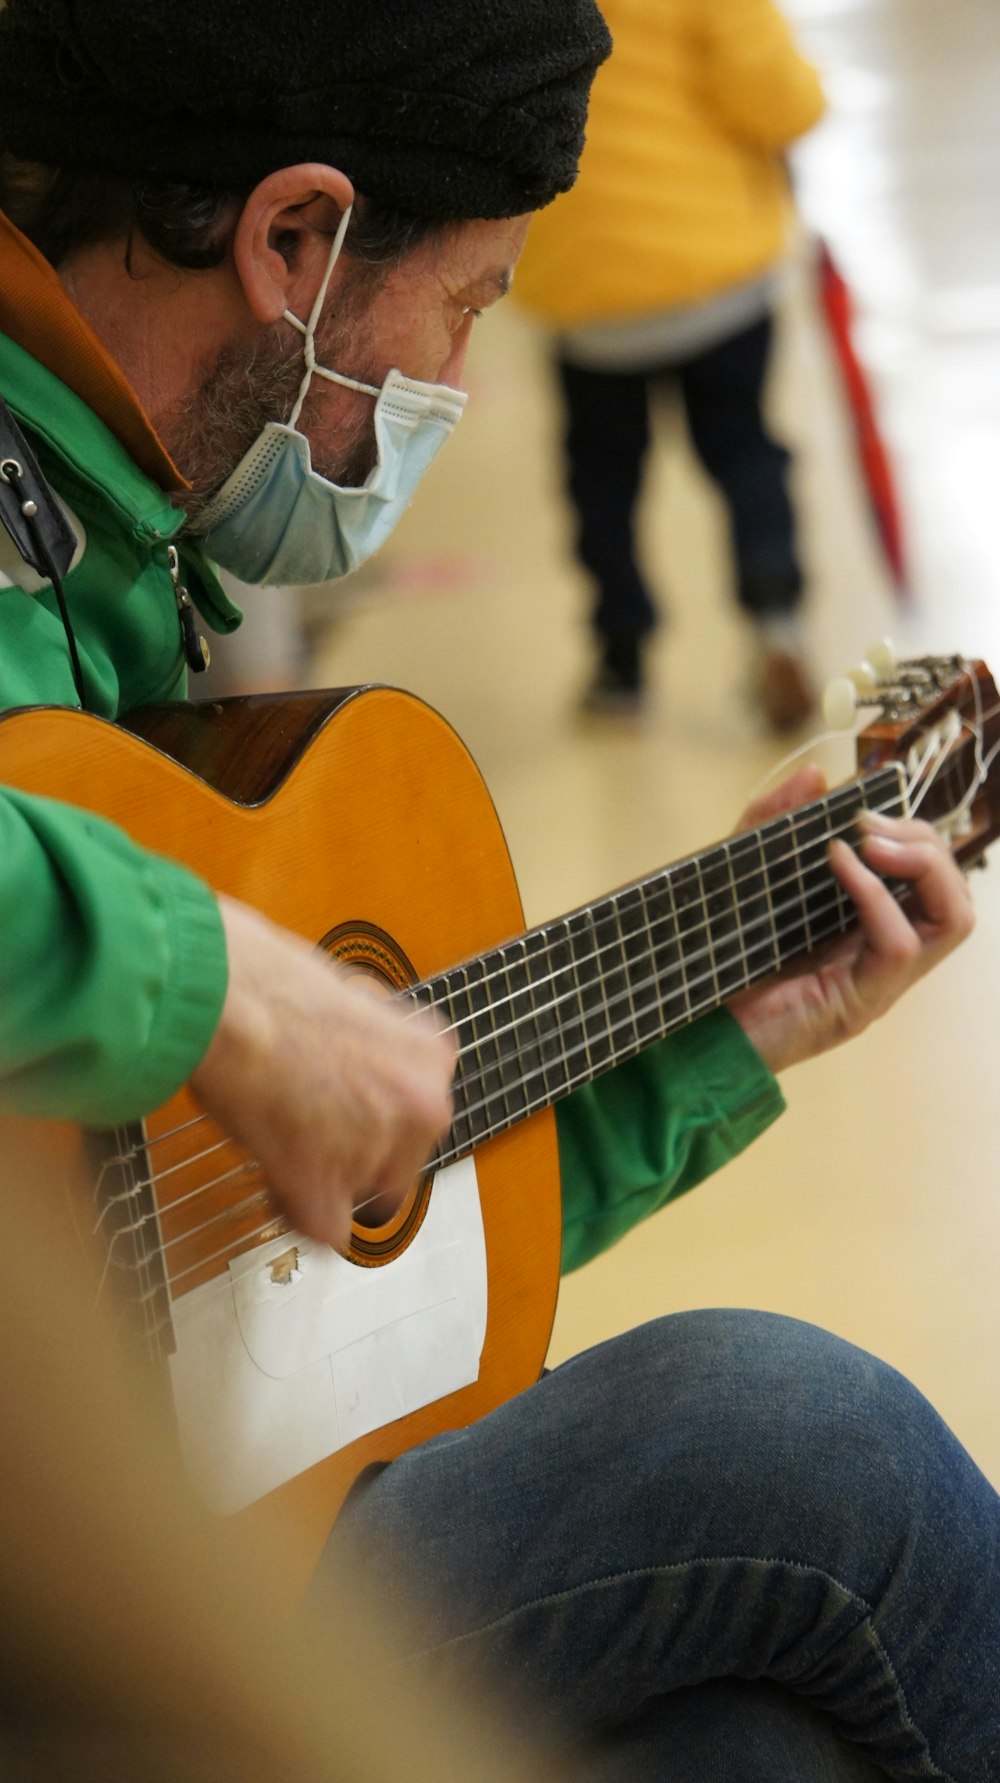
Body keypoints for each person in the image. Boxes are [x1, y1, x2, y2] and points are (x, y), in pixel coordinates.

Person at [0, 2, 995, 1776]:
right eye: (466, 307)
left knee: (762, 1747)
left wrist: (712, 1034)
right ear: (292, 240)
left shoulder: (113, 556)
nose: (452, 377)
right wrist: (211, 980)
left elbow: (294, 1302)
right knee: (808, 1442)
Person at [513, 0, 826, 727]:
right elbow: (776, 96)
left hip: (587, 290)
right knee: (745, 453)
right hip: (715, 274)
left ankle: (621, 658)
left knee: (602, 481)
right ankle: (775, 617)